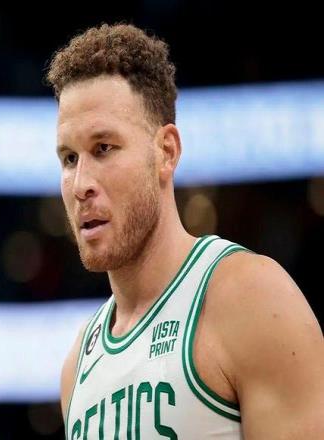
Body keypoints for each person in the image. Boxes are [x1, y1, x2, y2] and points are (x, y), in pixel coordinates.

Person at [45, 23, 324, 439]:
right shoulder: (77, 368)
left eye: (103, 148)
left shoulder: (250, 298)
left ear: (166, 152)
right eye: (69, 158)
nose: (81, 183)